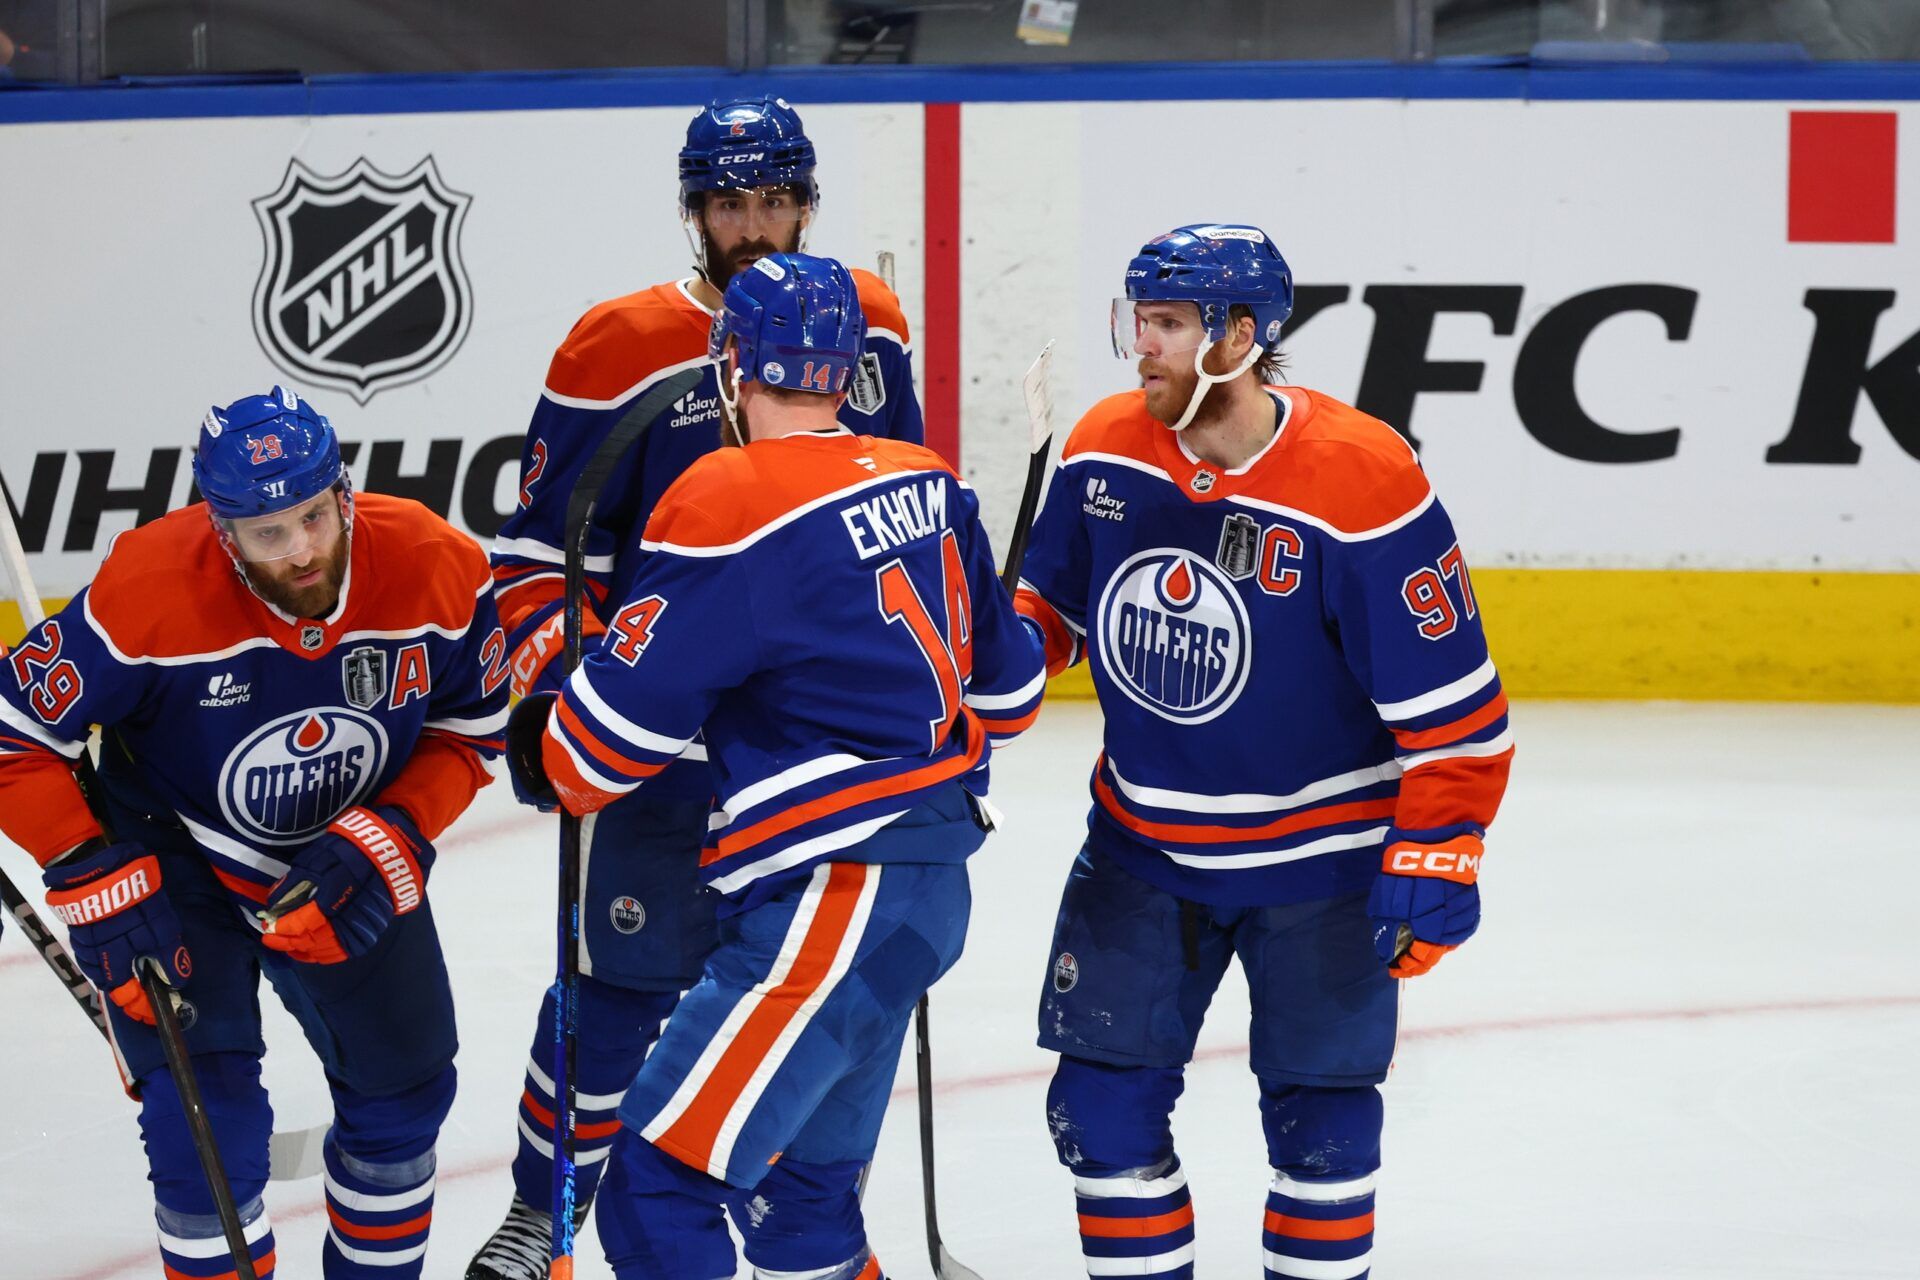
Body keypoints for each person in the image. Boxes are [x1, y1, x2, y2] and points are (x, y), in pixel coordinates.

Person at [505, 252, 1044, 1280]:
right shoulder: (929, 479)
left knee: (653, 1191)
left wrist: (546, 745)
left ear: (728, 363)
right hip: (927, 892)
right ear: (847, 372)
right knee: (803, 1203)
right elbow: (1012, 699)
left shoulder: (725, 495)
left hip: (825, 899)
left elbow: (607, 744)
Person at [469, 94, 925, 1278]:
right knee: (617, 991)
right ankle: (545, 1207)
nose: (757, 225)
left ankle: (810, 1219)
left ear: (810, 202)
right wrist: (573, 672)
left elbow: (896, 504)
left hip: (813, 760)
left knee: (813, 1003)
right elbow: (534, 553)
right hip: (662, 747)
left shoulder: (865, 318)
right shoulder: (613, 346)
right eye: (733, 202)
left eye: (778, 199)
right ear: (694, 209)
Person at [1014, 225, 1514, 1280]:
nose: (1140, 346)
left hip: (1323, 871)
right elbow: (1044, 614)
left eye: (1168, 324)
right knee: (1098, 1116)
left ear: (1242, 337)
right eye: (1135, 319)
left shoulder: (1361, 476)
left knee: (1324, 1135)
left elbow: (1457, 709)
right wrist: (983, 653)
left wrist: (1438, 847)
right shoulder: (1104, 446)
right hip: (1143, 849)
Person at [0, 386, 509, 1279]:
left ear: (343, 491)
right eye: (268, 531)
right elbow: (13, 732)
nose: (303, 549)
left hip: (343, 850)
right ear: (221, 525)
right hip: (176, 855)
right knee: (206, 1131)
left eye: (315, 515)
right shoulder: (148, 588)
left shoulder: (437, 562)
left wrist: (397, 828)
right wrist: (83, 864)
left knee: (406, 1096)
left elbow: (471, 731)